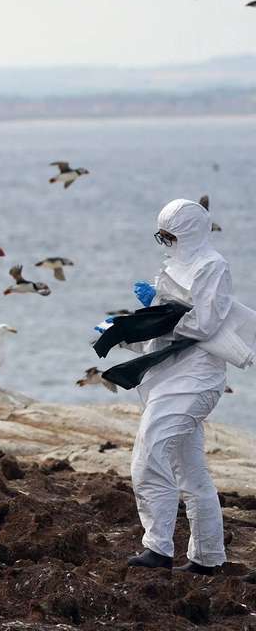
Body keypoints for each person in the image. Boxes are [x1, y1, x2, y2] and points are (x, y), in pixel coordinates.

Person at [125, 199, 231, 574]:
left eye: (169, 236)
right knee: (190, 471)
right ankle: (207, 558)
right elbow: (168, 321)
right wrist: (128, 330)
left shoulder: (213, 266)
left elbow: (204, 324)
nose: (166, 243)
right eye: (161, 236)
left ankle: (157, 549)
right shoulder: (174, 265)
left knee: (148, 454)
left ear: (189, 232)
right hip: (172, 375)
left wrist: (158, 303)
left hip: (197, 378)